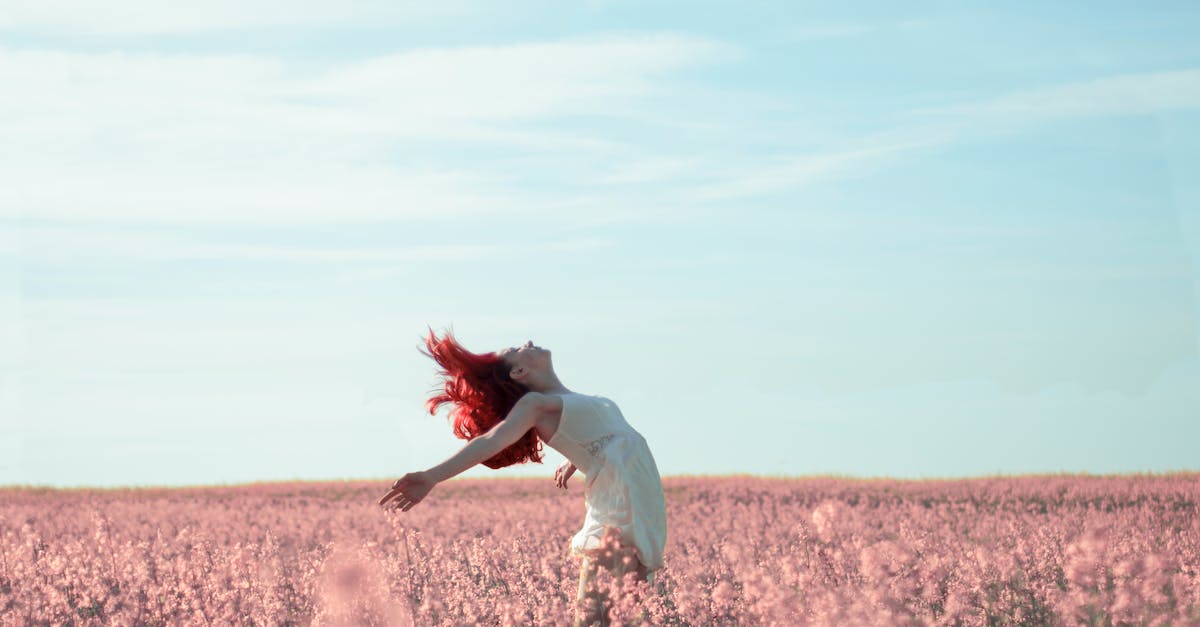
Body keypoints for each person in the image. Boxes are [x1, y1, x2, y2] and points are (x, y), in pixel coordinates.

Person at [378, 328, 668, 626]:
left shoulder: (572, 400)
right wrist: (432, 476)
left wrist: (575, 458)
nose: (527, 341)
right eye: (517, 348)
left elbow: (605, 438)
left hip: (643, 505)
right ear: (518, 371)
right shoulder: (535, 405)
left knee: (626, 614)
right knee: (607, 616)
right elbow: (494, 439)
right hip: (619, 505)